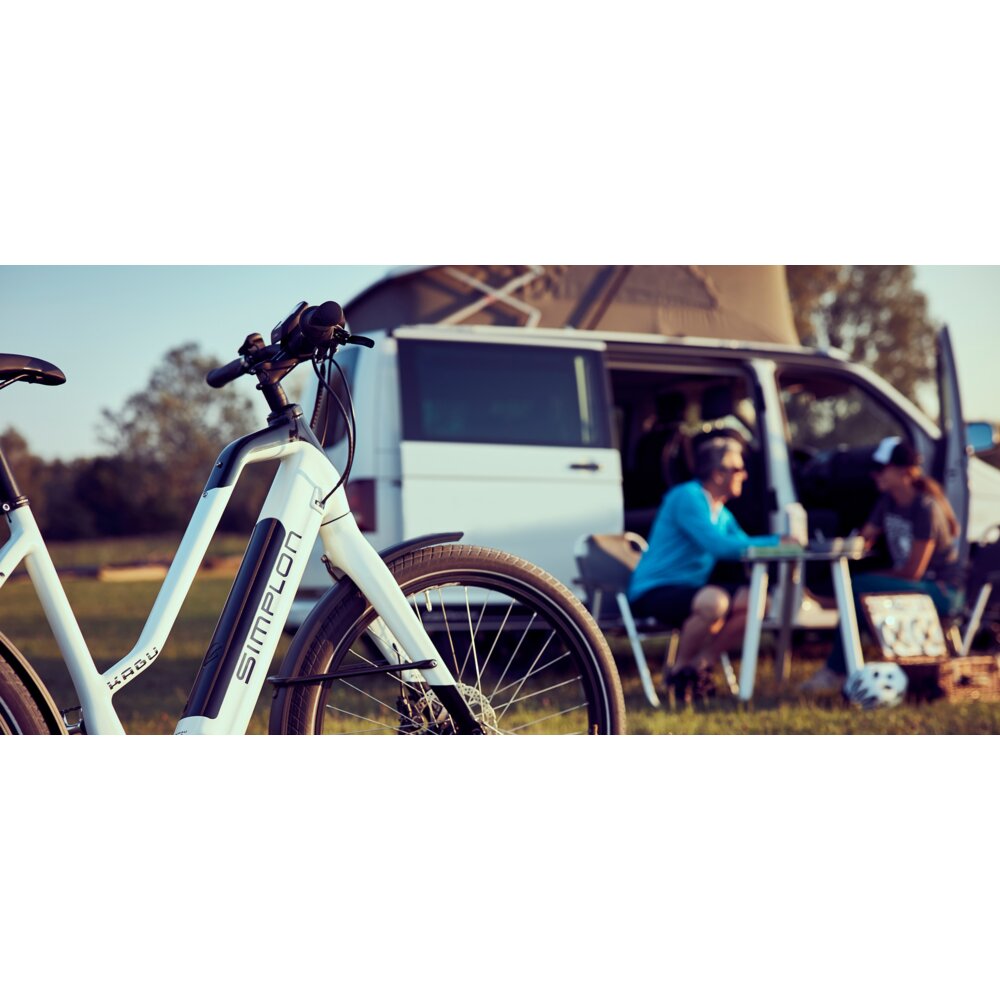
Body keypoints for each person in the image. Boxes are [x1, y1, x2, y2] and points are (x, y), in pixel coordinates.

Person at [799, 437, 963, 695]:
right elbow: (864, 539)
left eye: (881, 469)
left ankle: (836, 669)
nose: (875, 475)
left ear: (904, 471)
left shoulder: (925, 508)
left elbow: (913, 572)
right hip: (915, 584)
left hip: (940, 590)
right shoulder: (887, 501)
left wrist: (867, 580)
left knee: (859, 587)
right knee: (857, 593)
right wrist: (846, 544)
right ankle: (842, 669)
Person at [627, 432, 786, 697]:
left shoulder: (721, 512)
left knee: (758, 600)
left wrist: (781, 543)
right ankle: (677, 673)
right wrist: (778, 542)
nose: (745, 475)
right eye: (737, 469)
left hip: (690, 590)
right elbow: (719, 545)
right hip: (654, 590)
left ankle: (700, 665)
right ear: (717, 473)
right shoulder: (687, 496)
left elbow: (744, 545)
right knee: (715, 602)